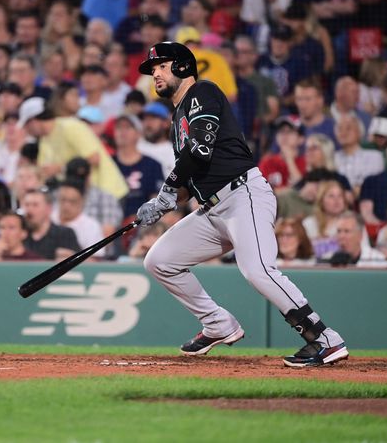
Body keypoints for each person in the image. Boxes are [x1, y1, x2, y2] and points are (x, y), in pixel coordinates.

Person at [135, 41, 348, 367]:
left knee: (257, 269)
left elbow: (201, 148)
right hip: (212, 208)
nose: (155, 74)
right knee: (160, 260)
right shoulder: (176, 119)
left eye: (161, 66)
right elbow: (192, 177)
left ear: (182, 67)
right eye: (153, 70)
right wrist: (162, 203)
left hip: (242, 195)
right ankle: (218, 324)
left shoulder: (202, 92)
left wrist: (168, 189)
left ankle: (324, 338)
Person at [22, 187, 81, 261]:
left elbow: (82, 264)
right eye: (27, 205)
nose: (29, 210)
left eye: (35, 205)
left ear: (48, 209)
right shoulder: (19, 235)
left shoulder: (65, 234)